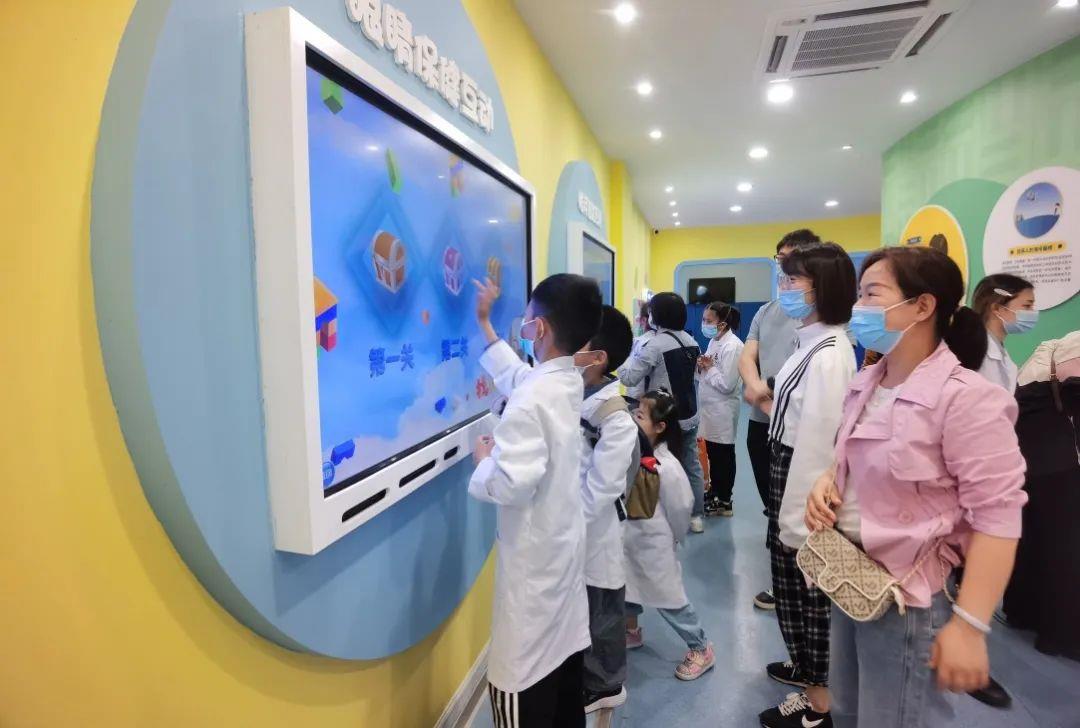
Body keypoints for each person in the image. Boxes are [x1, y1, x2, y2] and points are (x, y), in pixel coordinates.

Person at [806, 246, 1027, 728]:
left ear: (923, 306)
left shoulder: (967, 399)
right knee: (848, 712)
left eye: (872, 294)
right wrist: (827, 482)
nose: (858, 307)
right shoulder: (867, 382)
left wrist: (969, 625)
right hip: (850, 578)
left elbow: (997, 518)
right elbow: (852, 456)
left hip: (907, 599)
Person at [469, 273, 602, 728]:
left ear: (539, 328)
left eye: (527, 319)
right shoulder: (564, 381)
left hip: (533, 590)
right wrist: (484, 323)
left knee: (520, 691)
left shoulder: (532, 399)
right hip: (560, 565)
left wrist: (485, 462)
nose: (524, 326)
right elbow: (521, 378)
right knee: (564, 695)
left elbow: (511, 485)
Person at [758, 242, 857, 728]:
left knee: (808, 591)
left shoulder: (830, 354)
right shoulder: (810, 342)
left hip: (802, 480)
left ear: (822, 288)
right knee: (791, 588)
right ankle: (806, 672)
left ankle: (819, 705)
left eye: (793, 280)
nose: (784, 288)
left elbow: (818, 446)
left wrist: (798, 527)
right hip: (787, 470)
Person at [738, 228, 822, 610]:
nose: (784, 270)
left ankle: (800, 584)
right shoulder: (766, 311)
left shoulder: (822, 320)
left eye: (792, 262)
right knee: (773, 503)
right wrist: (756, 387)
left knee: (798, 505)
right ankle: (783, 575)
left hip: (796, 426)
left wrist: (769, 397)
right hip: (762, 422)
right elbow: (748, 355)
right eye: (780, 261)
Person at [624, 389, 715, 681]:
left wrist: (675, 537)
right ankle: (630, 630)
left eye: (640, 416)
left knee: (669, 599)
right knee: (625, 588)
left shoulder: (668, 466)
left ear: (660, 427)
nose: (633, 419)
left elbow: (681, 506)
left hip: (655, 546)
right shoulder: (632, 453)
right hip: (630, 541)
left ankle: (701, 647)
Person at [575, 305, 638, 714]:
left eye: (573, 342)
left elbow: (602, 488)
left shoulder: (614, 418)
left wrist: (563, 524)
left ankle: (606, 684)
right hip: (574, 528)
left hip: (595, 528)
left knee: (602, 606)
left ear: (598, 358)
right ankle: (590, 674)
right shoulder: (572, 393)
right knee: (584, 604)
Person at [617, 293, 706, 534]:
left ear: (657, 315)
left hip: (663, 417)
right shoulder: (691, 341)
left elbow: (629, 378)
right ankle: (696, 516)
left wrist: (620, 357)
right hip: (689, 412)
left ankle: (661, 512)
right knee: (691, 464)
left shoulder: (655, 345)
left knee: (659, 463)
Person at [697, 301, 744, 517]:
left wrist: (710, 368)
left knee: (723, 455)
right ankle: (715, 493)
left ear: (722, 324)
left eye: (709, 321)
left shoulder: (733, 346)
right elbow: (709, 373)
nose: (704, 324)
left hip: (723, 410)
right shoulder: (714, 342)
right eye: (703, 319)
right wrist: (702, 367)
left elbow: (727, 384)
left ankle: (725, 500)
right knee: (714, 455)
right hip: (710, 409)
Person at [972, 273, 1037, 393]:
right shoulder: (974, 353)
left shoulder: (1000, 352)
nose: (1033, 312)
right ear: (997, 308)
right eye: (1027, 306)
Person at [625, 300, 655, 405]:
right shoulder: (666, 341)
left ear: (643, 320)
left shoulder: (641, 343)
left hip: (641, 402)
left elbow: (630, 380)